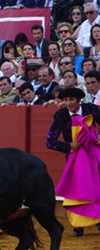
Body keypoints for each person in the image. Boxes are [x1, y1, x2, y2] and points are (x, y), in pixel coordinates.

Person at [46, 87, 100, 237]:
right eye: (66, 100)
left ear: (78, 100)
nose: (68, 103)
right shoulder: (61, 116)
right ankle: (78, 224)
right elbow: (49, 142)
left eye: (72, 100)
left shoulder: (91, 109)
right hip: (75, 158)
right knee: (77, 190)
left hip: (94, 154)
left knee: (97, 186)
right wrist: (69, 145)